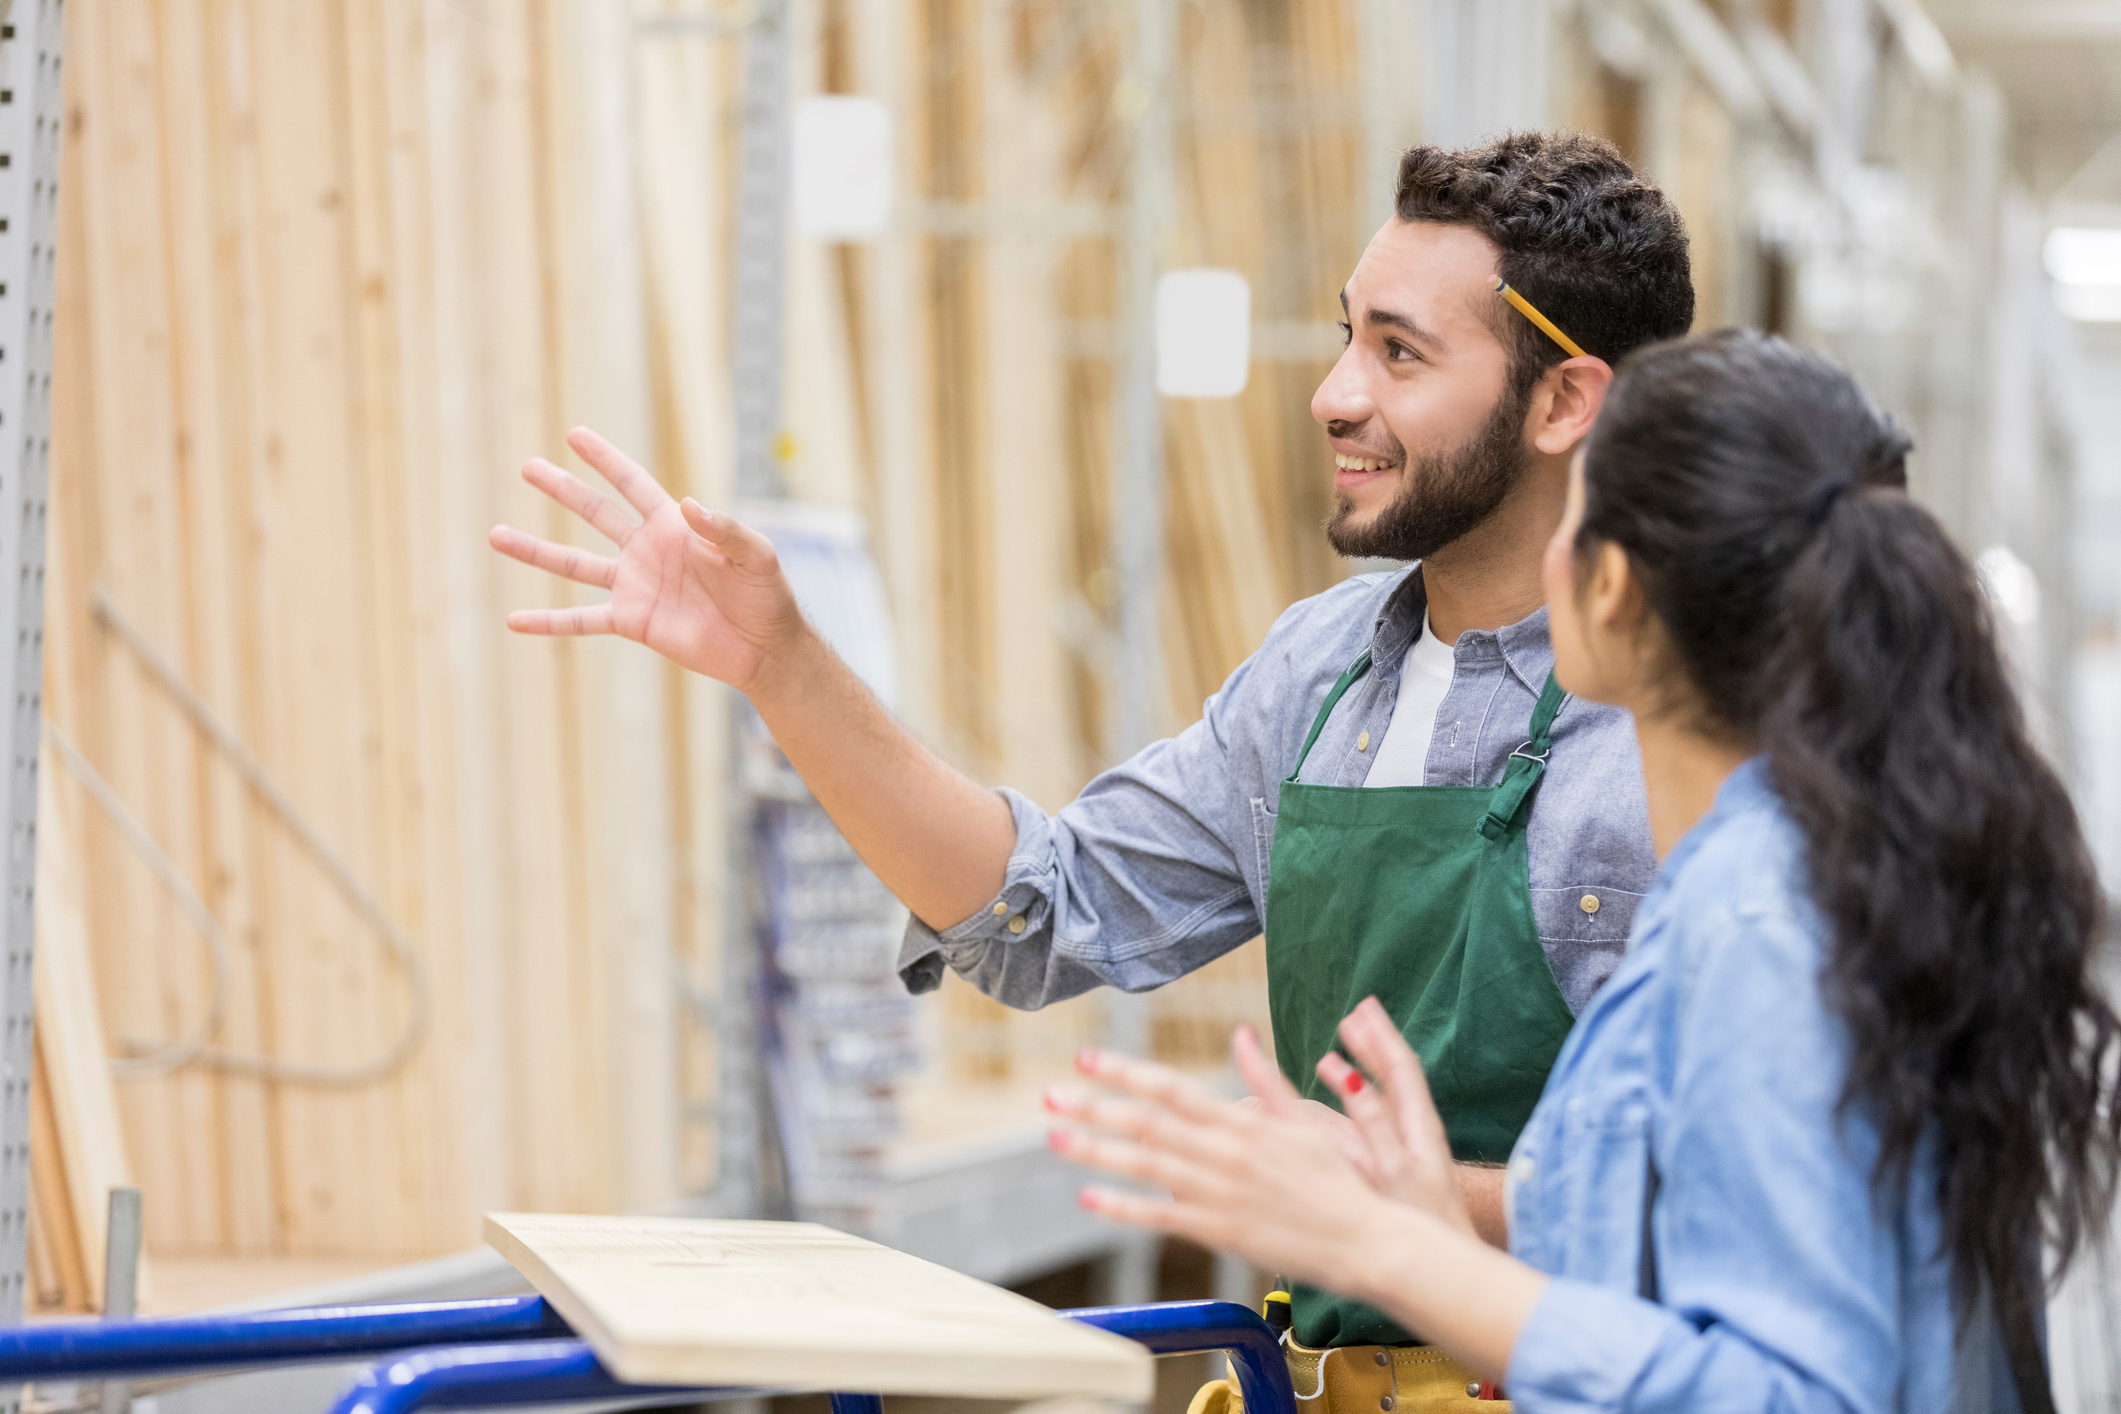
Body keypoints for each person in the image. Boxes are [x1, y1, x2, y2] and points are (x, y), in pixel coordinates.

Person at [488, 133, 1692, 1401]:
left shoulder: (1686, 724)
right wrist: (782, 664)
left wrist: (1398, 1199)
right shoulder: (1322, 670)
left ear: (1565, 401)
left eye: (1399, 351)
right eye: (1346, 336)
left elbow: (1732, 1177)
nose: (1335, 392)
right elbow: (1039, 913)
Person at [1042, 330, 2121, 1412]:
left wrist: (1387, 1249)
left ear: (1608, 587)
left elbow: (1789, 1389)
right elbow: (1676, 1222)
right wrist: (1418, 1196)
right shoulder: (1777, 879)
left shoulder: (1763, 924)